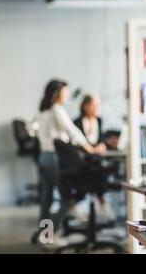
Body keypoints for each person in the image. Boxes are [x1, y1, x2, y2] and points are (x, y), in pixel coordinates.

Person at [35, 80, 105, 246]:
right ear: (58, 94)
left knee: (47, 199)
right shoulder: (57, 110)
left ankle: (44, 236)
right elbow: (73, 131)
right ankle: (49, 236)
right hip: (53, 158)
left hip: (43, 157)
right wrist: (90, 149)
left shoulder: (43, 112)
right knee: (68, 198)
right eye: (65, 92)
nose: (67, 95)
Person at [73, 94, 115, 222]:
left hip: (96, 157)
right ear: (85, 106)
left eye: (98, 105)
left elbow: (100, 139)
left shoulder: (99, 120)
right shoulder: (77, 122)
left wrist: (102, 144)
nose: (97, 108)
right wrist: (92, 149)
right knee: (97, 171)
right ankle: (102, 202)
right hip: (83, 159)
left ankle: (78, 203)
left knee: (98, 169)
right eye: (94, 105)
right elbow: (77, 143)